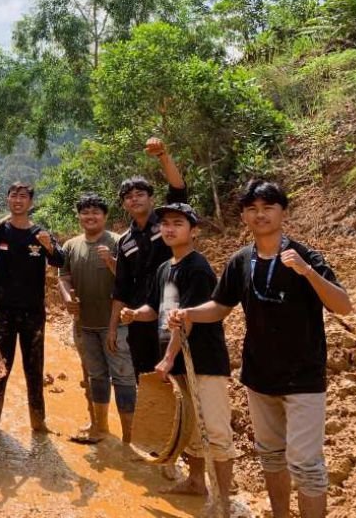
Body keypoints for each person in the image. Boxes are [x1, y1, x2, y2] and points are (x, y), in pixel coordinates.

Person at [170, 180, 351, 518]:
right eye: (252, 209)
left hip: (304, 379)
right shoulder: (241, 261)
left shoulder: (305, 256)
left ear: (283, 211)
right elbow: (220, 307)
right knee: (270, 455)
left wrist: (308, 272)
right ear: (243, 217)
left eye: (268, 207)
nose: (260, 215)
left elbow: (343, 305)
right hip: (259, 376)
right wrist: (188, 313)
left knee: (306, 464)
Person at [120, 203, 236, 514]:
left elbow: (188, 319)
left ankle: (222, 502)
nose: (169, 229)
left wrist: (169, 358)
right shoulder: (164, 268)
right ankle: (197, 481)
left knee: (214, 431)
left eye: (178, 223)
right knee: (190, 428)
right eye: (165, 224)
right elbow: (156, 310)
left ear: (193, 230)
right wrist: (134, 314)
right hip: (177, 361)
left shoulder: (197, 268)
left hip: (203, 360)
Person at [0, 182, 64, 435]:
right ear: (7, 200)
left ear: (31, 202)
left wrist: (49, 246)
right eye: (13, 195)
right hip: (4, 311)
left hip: (34, 313)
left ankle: (39, 422)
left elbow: (59, 260)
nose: (18, 200)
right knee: (0, 367)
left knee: (34, 368)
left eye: (23, 196)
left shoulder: (40, 233)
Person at [109, 137, 188, 379]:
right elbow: (121, 287)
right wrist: (113, 327)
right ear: (124, 204)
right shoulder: (125, 241)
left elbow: (178, 190)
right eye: (129, 196)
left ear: (151, 198)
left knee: (177, 375)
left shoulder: (168, 223)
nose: (135, 198)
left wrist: (163, 155)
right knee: (146, 377)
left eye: (140, 193)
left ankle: (184, 418)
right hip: (140, 317)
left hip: (173, 310)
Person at [58, 193, 133, 445]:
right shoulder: (71, 245)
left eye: (96, 212)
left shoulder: (119, 242)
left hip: (117, 326)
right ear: (79, 216)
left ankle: (129, 436)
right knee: (96, 376)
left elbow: (130, 280)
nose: (90, 217)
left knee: (123, 377)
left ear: (105, 216)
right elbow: (63, 277)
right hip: (84, 325)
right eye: (85, 212)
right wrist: (67, 297)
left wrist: (111, 262)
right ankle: (99, 426)